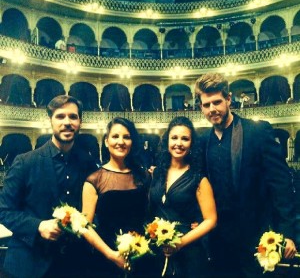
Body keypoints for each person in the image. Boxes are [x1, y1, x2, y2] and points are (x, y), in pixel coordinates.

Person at [194, 73, 297, 278]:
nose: (212, 109)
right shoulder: (202, 140)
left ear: (229, 99)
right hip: (217, 241)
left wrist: (288, 234)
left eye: (217, 102)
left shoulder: (257, 131)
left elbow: (281, 186)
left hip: (254, 237)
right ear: (200, 107)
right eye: (206, 105)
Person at [0, 95, 98, 278]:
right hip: (29, 265)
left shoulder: (89, 164)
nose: (67, 122)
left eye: (73, 117)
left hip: (75, 265)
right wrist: (38, 226)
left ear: (80, 122)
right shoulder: (25, 162)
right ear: (50, 121)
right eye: (60, 116)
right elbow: (4, 211)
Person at [148, 116, 217, 277]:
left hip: (189, 251)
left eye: (184, 139)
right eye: (174, 138)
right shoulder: (157, 173)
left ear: (191, 144)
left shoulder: (199, 178)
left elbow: (211, 220)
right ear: (167, 141)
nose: (178, 143)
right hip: (158, 250)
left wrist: (179, 244)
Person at [81, 117, 150, 277]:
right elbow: (85, 227)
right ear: (106, 141)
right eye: (115, 136)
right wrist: (111, 255)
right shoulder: (94, 180)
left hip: (142, 255)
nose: (121, 141)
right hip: (106, 258)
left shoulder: (143, 176)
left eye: (126, 137)